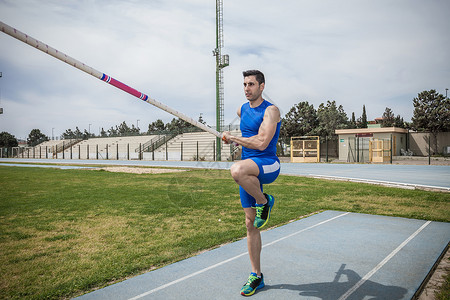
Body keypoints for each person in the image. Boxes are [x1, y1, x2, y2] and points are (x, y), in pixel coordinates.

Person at [222, 70, 281, 296]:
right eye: (244, 84)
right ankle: (256, 275)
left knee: (235, 170)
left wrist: (234, 137)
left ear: (262, 86)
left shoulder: (271, 110)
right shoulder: (242, 109)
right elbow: (246, 137)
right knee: (250, 224)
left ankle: (264, 201)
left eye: (251, 84)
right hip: (248, 169)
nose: (247, 88)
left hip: (267, 165)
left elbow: (262, 141)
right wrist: (235, 143)